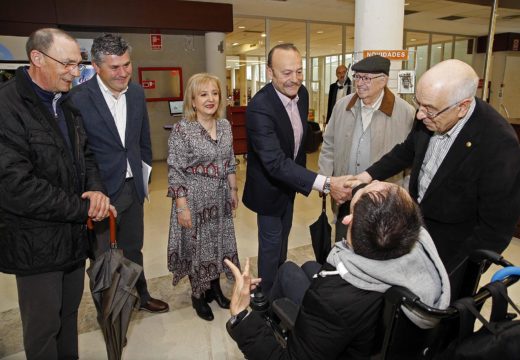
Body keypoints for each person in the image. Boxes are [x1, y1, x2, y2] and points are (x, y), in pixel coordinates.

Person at [225, 181, 450, 360]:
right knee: (309, 266)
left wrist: (241, 317)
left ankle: (264, 316)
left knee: (287, 271)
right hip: (369, 324)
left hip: (344, 323)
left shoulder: (330, 302)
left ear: (348, 219)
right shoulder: (417, 247)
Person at [0, 28, 113, 359]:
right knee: (43, 328)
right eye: (67, 64)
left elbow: (87, 155)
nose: (75, 73)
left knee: (68, 318)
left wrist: (95, 189)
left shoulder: (67, 104)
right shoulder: (7, 106)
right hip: (36, 242)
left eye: (78, 65)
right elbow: (14, 186)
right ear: (37, 58)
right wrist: (82, 209)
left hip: (72, 239)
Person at [351, 59, 520, 278]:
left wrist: (460, 272)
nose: (420, 115)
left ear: (463, 107)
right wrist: (366, 175)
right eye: (418, 103)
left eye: (429, 109)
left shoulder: (498, 143)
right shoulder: (431, 112)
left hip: (454, 250)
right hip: (414, 229)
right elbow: (406, 151)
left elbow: (496, 228)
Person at [69, 33, 169, 313]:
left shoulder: (136, 94)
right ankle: (112, 312)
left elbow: (142, 140)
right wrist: (92, 192)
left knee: (134, 248)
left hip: (131, 189)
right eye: (115, 67)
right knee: (103, 258)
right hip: (101, 194)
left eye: (127, 65)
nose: (123, 72)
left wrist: (144, 176)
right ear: (96, 66)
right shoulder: (77, 99)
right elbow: (79, 155)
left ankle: (142, 295)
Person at [242, 43, 351, 294]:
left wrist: (304, 178)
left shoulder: (302, 95)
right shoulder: (260, 107)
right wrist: (324, 182)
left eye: (299, 71)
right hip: (268, 190)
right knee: (270, 245)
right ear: (270, 73)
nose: (295, 79)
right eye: (287, 73)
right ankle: (267, 298)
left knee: (283, 240)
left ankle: (280, 283)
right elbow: (274, 162)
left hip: (290, 185)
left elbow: (298, 144)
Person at [167, 73, 240, 321]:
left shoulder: (225, 126)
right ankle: (198, 295)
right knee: (197, 247)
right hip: (193, 199)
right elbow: (175, 171)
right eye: (204, 94)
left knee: (218, 243)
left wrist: (233, 190)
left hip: (220, 197)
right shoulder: (182, 130)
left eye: (215, 93)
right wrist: (181, 207)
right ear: (193, 100)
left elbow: (230, 161)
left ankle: (216, 289)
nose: (210, 99)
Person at [319, 55, 415, 242]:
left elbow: (410, 162)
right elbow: (328, 145)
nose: (359, 83)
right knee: (343, 246)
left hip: (383, 202)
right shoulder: (342, 106)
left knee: (377, 250)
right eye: (357, 77)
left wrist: (404, 199)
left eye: (366, 78)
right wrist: (327, 182)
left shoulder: (405, 113)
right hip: (345, 196)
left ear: (383, 80)